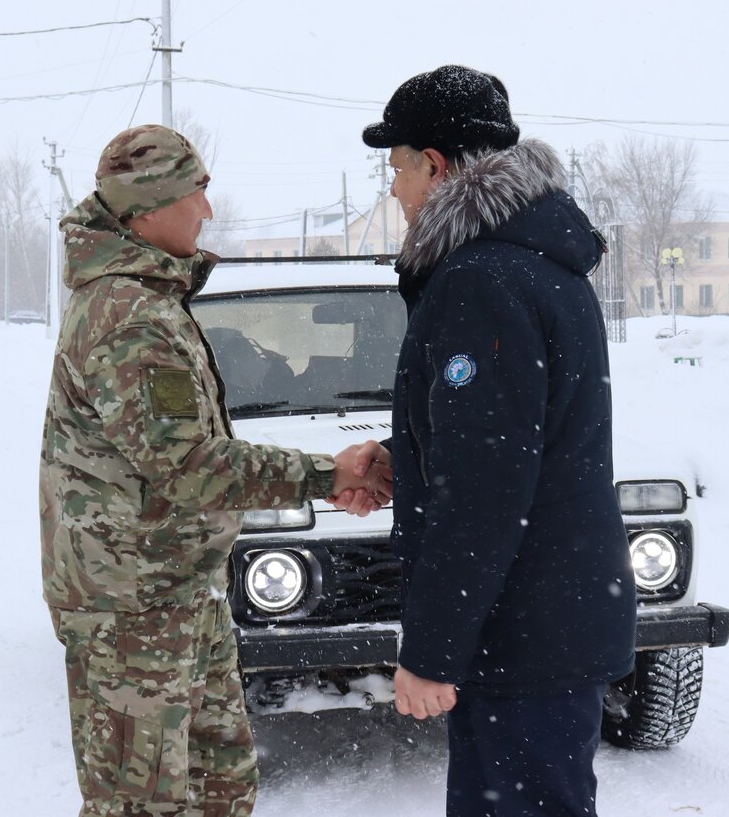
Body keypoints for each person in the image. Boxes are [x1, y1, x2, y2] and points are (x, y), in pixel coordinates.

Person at [39, 124, 391, 817]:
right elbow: (191, 467)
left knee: (220, 787)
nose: (208, 210)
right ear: (147, 206)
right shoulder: (127, 315)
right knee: (139, 805)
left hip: (178, 592)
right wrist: (328, 473)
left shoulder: (153, 300)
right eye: (196, 193)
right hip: (131, 609)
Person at [347, 65, 638, 817]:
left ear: (436, 166)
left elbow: (485, 486)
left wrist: (433, 649)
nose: (396, 191)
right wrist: (404, 456)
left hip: (523, 634)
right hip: (544, 620)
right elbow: (508, 438)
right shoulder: (533, 263)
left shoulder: (483, 281)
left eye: (400, 168)